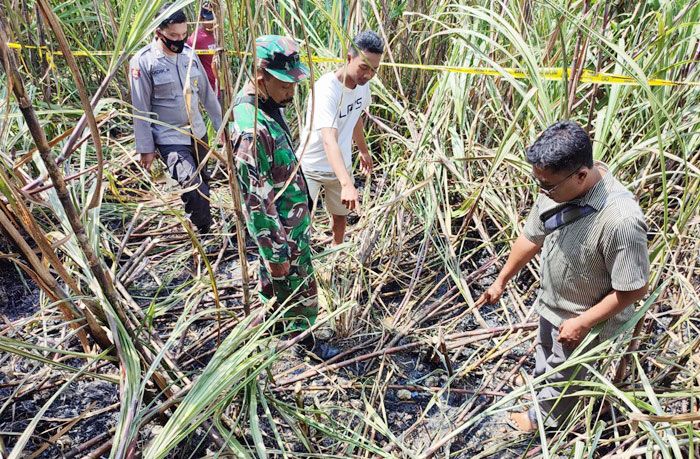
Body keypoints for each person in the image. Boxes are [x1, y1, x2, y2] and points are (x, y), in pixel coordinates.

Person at [479, 121, 649, 431]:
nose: (542, 192)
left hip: (582, 320)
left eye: (548, 186)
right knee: (547, 356)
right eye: (539, 183)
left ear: (582, 175)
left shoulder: (620, 221)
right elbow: (532, 235)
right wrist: (502, 278)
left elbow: (633, 290)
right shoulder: (556, 185)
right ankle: (543, 391)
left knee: (564, 378)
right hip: (551, 304)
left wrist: (582, 323)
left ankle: (544, 424)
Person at [231, 35, 339, 360]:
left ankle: (278, 343)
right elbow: (256, 204)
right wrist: (277, 255)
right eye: (285, 84)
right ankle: (300, 348)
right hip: (281, 238)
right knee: (298, 293)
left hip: (290, 230)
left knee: (281, 296)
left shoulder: (268, 105)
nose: (292, 91)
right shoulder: (250, 129)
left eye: (295, 83)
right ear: (260, 76)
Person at [129, 4, 221, 234]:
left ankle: (204, 223)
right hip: (170, 136)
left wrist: (223, 130)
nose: (179, 41)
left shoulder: (190, 56)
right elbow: (139, 108)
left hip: (198, 133)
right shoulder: (143, 62)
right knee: (192, 184)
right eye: (173, 36)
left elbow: (208, 96)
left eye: (183, 35)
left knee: (203, 181)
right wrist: (146, 148)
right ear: (158, 32)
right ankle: (204, 231)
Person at [296, 31, 383, 245]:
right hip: (311, 166)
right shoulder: (326, 89)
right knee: (299, 219)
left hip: (340, 165)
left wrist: (363, 150)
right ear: (349, 58)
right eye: (364, 67)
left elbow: (356, 117)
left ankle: (337, 251)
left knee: (340, 214)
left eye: (374, 70)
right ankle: (301, 258)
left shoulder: (363, 86)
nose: (368, 75)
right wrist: (347, 183)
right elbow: (329, 139)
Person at [186, 5, 219, 95]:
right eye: (208, 19)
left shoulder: (219, 33)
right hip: (209, 89)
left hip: (223, 85)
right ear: (201, 19)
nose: (212, 22)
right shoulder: (196, 38)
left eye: (213, 19)